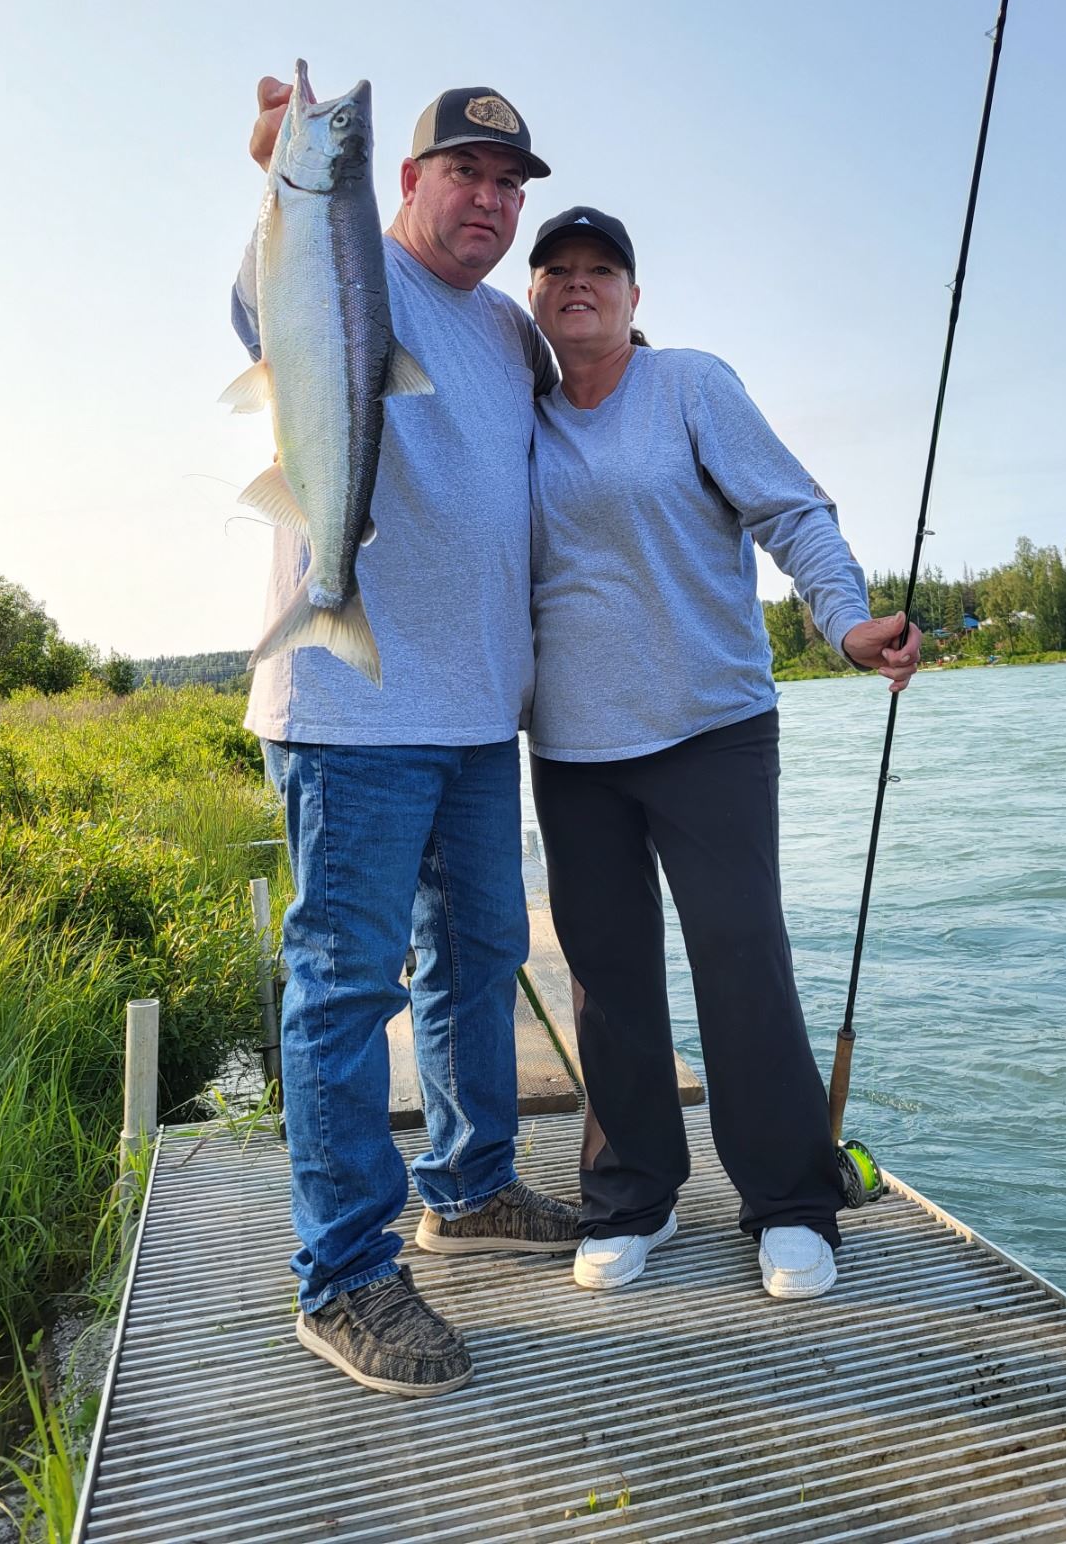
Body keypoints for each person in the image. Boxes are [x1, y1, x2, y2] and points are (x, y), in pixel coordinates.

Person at [233, 81, 580, 1399]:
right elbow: (261, 303)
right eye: (465, 173)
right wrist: (275, 175)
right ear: (406, 182)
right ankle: (343, 1276)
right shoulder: (344, 261)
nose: (489, 199)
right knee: (344, 988)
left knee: (479, 955)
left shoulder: (506, 329)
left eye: (510, 183)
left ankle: (471, 1187)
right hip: (350, 712)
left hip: (474, 713)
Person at [523, 207, 921, 1300]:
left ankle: (790, 1201)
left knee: (742, 961)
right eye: (556, 270)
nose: (578, 283)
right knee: (608, 980)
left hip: (713, 731)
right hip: (574, 750)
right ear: (534, 297)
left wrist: (846, 623)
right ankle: (631, 1197)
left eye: (601, 269)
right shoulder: (522, 419)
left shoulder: (691, 385)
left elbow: (795, 512)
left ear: (635, 296)